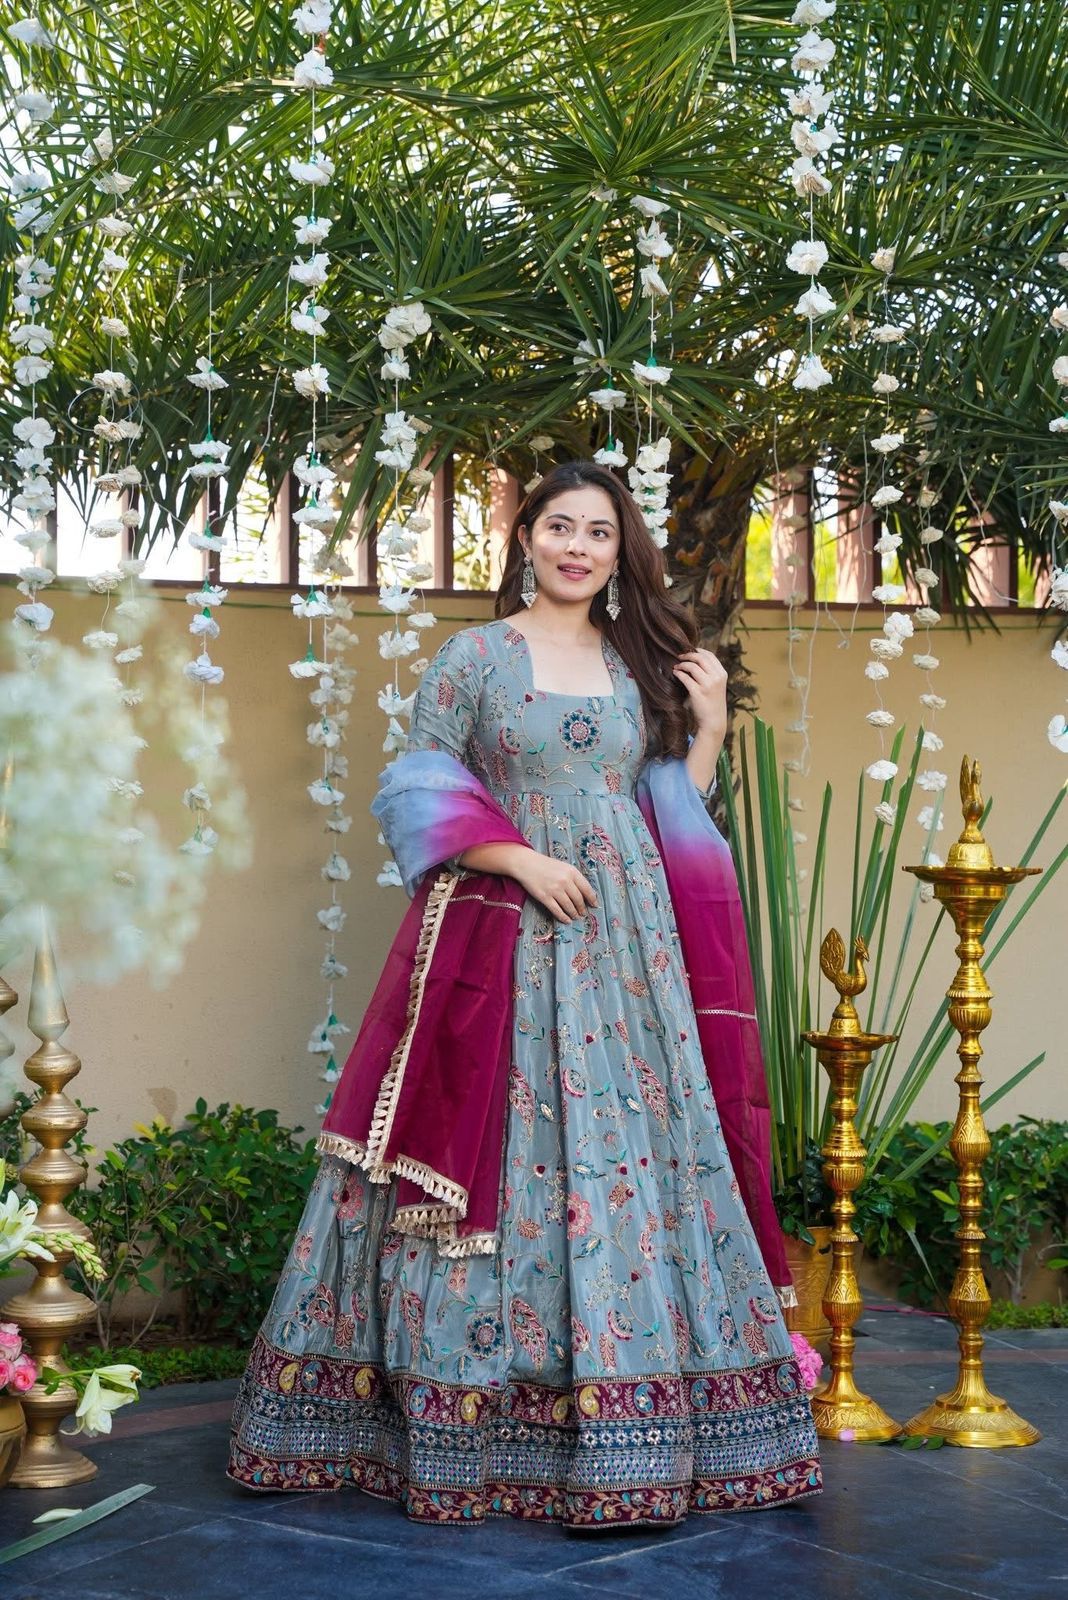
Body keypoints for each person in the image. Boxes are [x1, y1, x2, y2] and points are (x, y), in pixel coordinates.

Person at [227, 460, 821, 1528]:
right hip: (502, 935)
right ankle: (455, 1423)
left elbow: (673, 808)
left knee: (634, 1142)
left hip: (628, 946)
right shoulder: (475, 658)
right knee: (502, 1141)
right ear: (528, 536)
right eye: (560, 526)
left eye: (598, 531)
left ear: (618, 549)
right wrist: (512, 856)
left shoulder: (639, 660)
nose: (577, 547)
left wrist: (714, 724)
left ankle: (636, 1426)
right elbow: (414, 783)